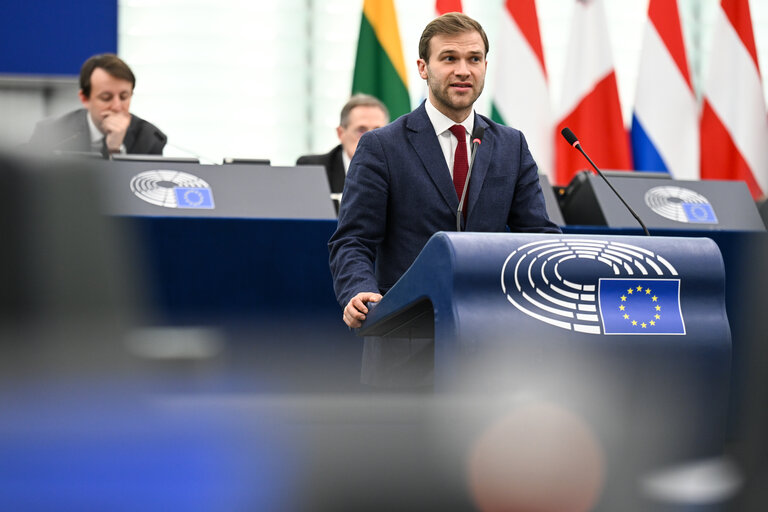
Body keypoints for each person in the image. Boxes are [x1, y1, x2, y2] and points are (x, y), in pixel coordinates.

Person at [329, 12, 560, 333]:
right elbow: (353, 240)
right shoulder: (381, 146)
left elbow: (538, 237)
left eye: (474, 59)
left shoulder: (512, 145)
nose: (463, 70)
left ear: (485, 67)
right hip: (403, 333)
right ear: (423, 67)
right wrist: (358, 290)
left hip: (491, 334)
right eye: (449, 58)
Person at [28, 54, 166, 157]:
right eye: (106, 97)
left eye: (124, 97)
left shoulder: (149, 138)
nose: (117, 106)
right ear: (85, 98)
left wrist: (115, 150)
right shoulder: (51, 132)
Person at [297, 94, 389, 212]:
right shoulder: (313, 169)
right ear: (340, 133)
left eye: (378, 131)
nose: (370, 139)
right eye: (361, 130)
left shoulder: (399, 171)